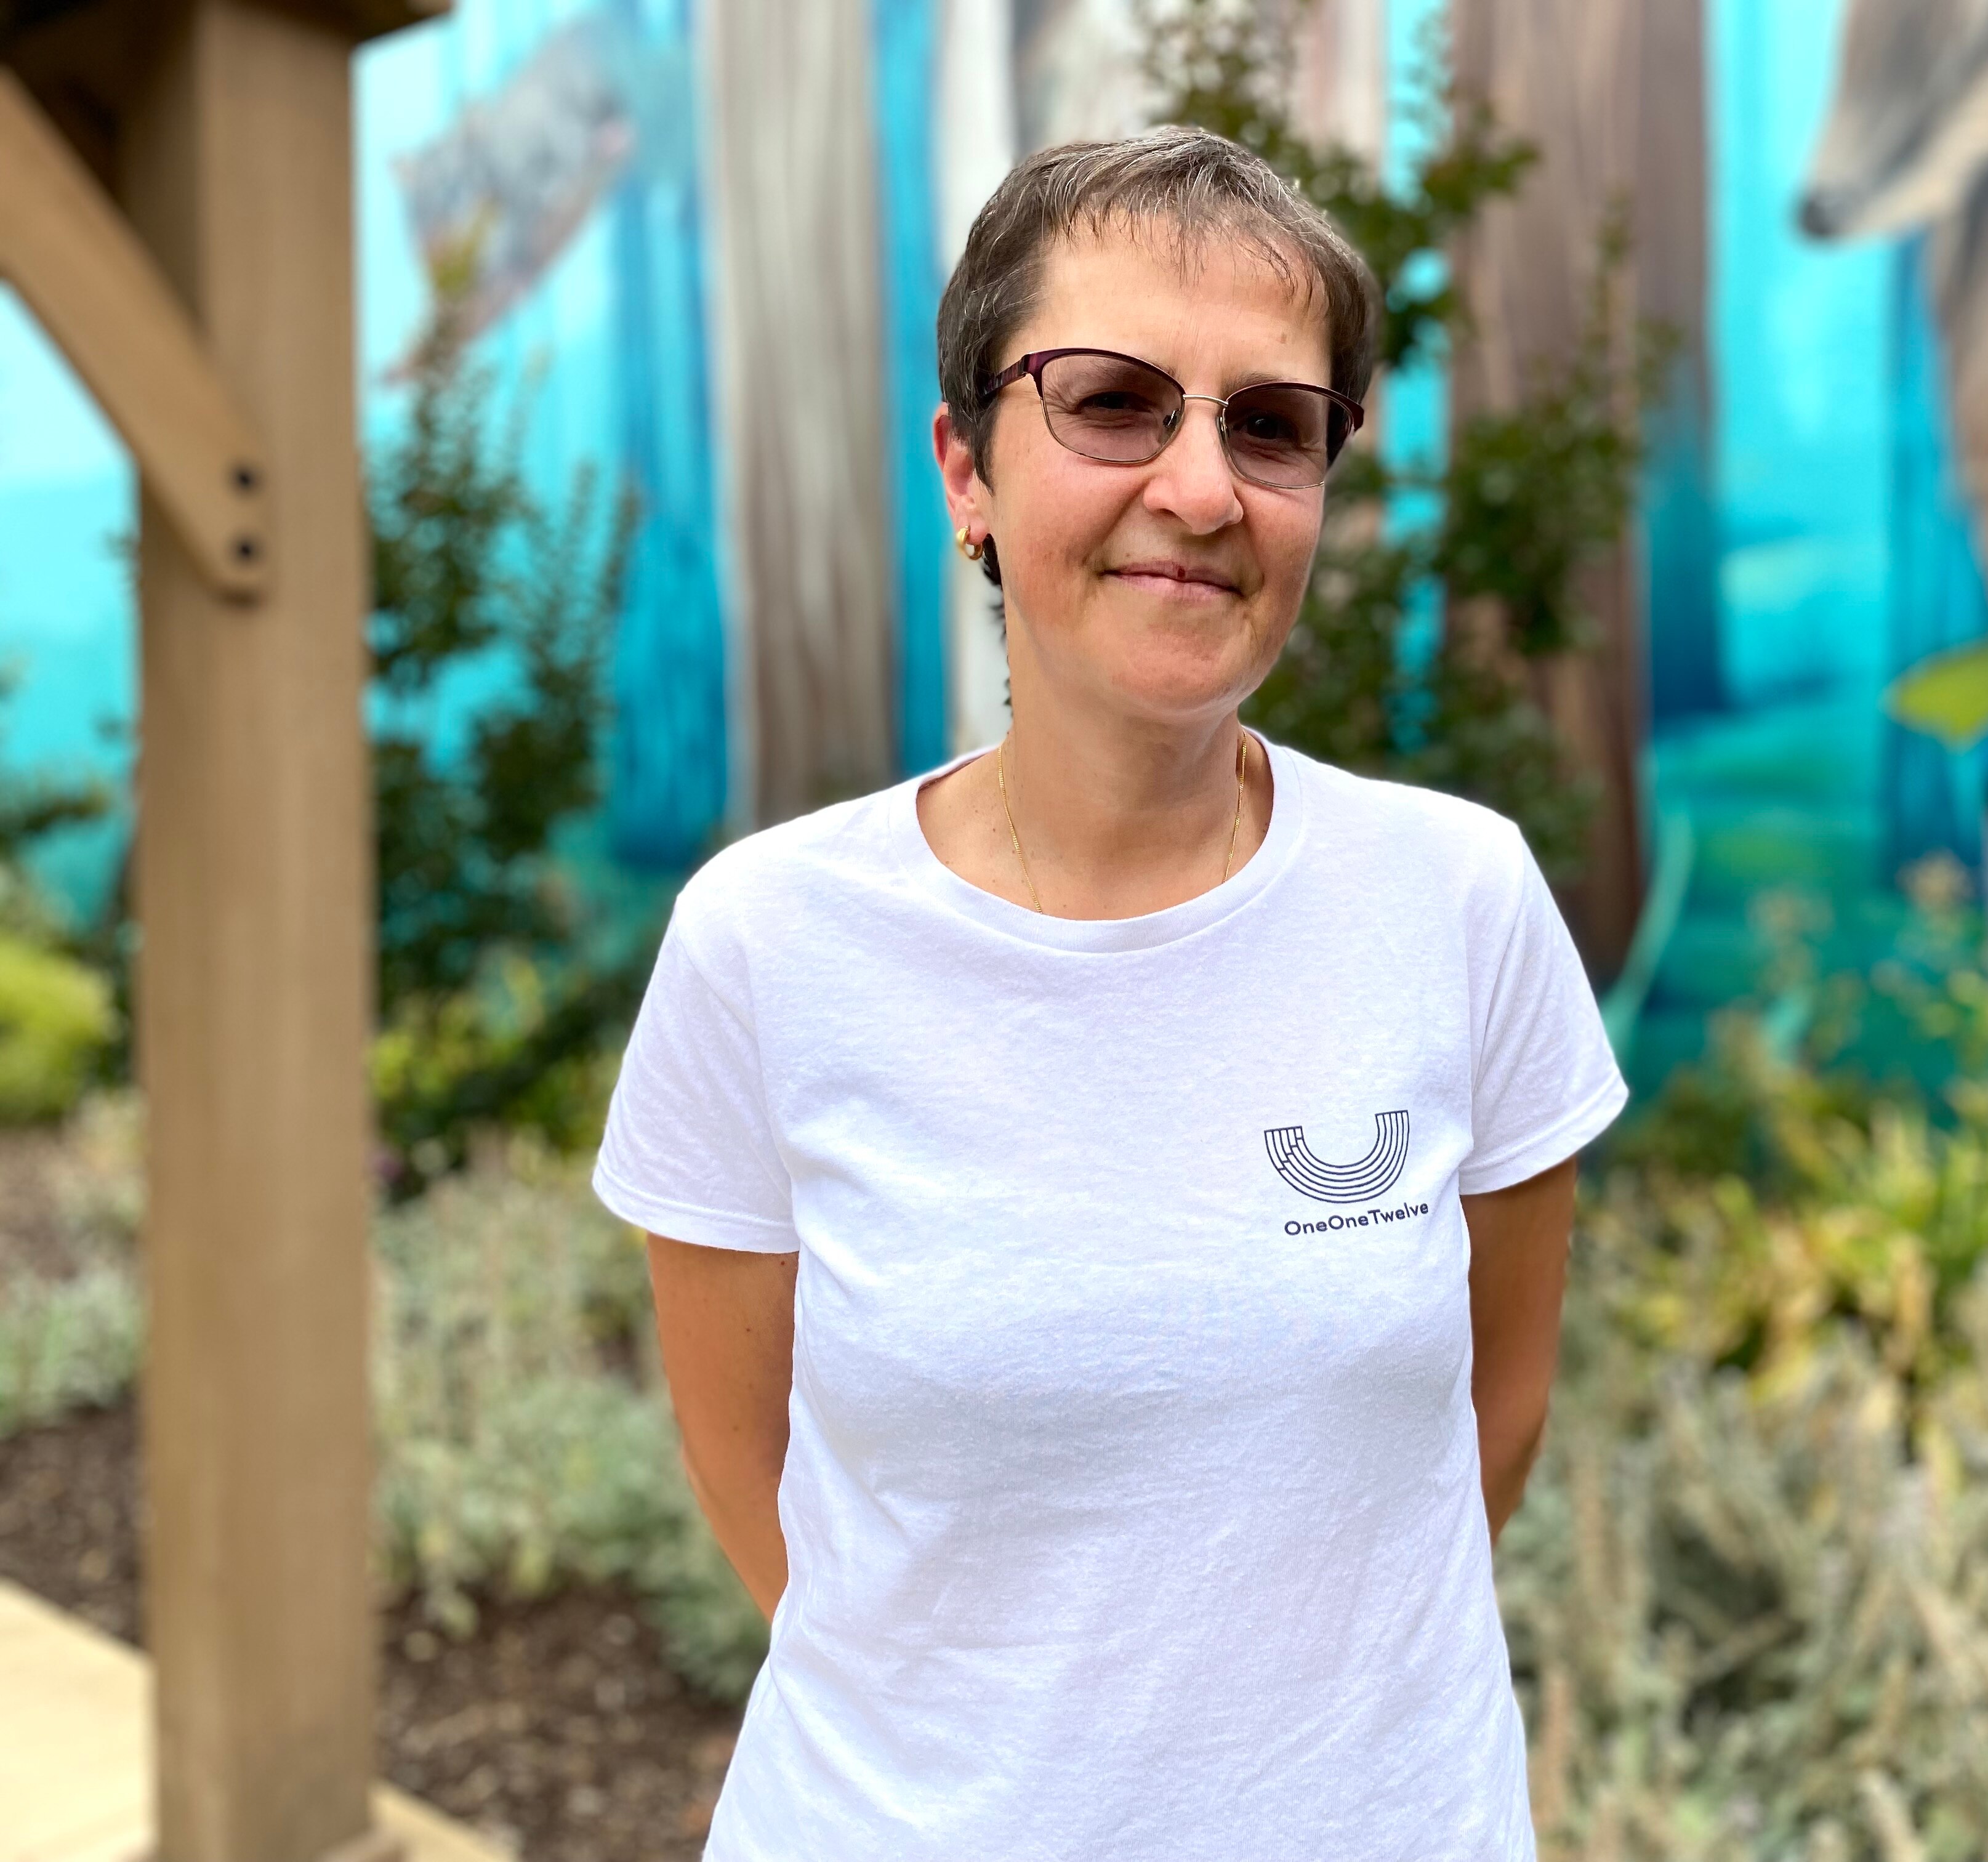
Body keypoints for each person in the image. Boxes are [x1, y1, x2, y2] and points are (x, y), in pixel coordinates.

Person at [594, 124, 1628, 1861]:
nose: (1204, 489)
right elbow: (752, 1474)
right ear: (968, 469)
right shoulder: (765, 945)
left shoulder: (1458, 900)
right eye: (1113, 400)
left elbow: (1490, 1423)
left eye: (1273, 424)